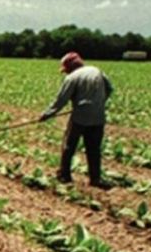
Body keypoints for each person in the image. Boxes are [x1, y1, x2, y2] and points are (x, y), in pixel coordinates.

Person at [39, 52, 114, 188]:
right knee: (94, 149)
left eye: (65, 69)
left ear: (70, 67)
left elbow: (61, 100)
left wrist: (47, 114)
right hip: (98, 116)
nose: (65, 72)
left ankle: (64, 175)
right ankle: (95, 179)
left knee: (69, 146)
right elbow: (109, 89)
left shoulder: (72, 78)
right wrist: (98, 103)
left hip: (80, 116)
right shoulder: (97, 71)